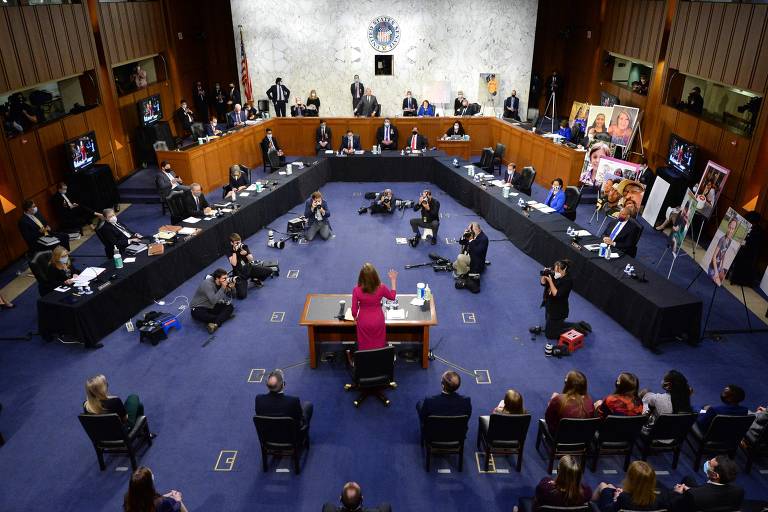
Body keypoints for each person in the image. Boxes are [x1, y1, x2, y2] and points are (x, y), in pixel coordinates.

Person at [670, 456, 743, 512]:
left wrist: (677, 493)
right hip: (707, 501)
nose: (707, 463)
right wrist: (692, 491)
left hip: (696, 501)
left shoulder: (693, 495)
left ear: (715, 475)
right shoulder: (739, 491)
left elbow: (675, 507)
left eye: (709, 464)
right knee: (689, 479)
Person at [351, 263, 397, 351]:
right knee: (379, 344)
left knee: (364, 346)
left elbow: (354, 311)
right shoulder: (381, 287)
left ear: (361, 277)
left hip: (363, 321)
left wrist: (354, 317)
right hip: (378, 320)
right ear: (375, 276)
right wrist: (393, 280)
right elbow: (392, 297)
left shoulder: (356, 290)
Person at [592, 460, 669, 512]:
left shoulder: (624, 498)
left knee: (603, 486)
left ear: (631, 480)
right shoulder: (659, 499)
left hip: (610, 507)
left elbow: (609, 510)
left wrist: (616, 498)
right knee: (609, 486)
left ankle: (587, 506)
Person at [123, 466, 188, 512]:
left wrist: (164, 496)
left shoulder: (128, 498)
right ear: (148, 484)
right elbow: (174, 510)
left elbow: (147, 500)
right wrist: (178, 500)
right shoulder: (162, 503)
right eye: (151, 475)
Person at [227, 233, 272, 298]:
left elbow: (251, 259)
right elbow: (234, 263)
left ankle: (254, 279)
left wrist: (246, 254)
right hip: (239, 274)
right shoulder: (229, 250)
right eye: (236, 243)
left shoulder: (244, 246)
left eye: (239, 242)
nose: (239, 244)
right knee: (242, 296)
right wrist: (234, 252)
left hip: (249, 268)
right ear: (231, 243)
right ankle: (233, 283)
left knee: (269, 271)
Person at [190, 268, 235, 334]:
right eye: (224, 278)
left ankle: (215, 324)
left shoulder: (222, 282)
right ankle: (223, 317)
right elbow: (214, 300)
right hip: (198, 307)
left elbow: (232, 295)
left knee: (230, 307)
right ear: (217, 278)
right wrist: (223, 288)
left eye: (226, 277)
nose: (226, 280)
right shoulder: (207, 284)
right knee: (209, 316)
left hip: (210, 305)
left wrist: (232, 288)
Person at [322, 482, 391, 512]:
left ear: (340, 498)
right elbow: (386, 507)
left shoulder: (328, 509)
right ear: (362, 499)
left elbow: (327, 506)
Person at [708, 217, 738, 285]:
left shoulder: (730, 241)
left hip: (718, 268)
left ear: (734, 230)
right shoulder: (722, 239)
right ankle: (712, 276)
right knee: (718, 282)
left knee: (723, 277)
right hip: (712, 269)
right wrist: (716, 272)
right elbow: (714, 256)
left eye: (732, 229)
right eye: (730, 227)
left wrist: (722, 267)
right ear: (728, 226)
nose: (730, 230)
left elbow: (723, 253)